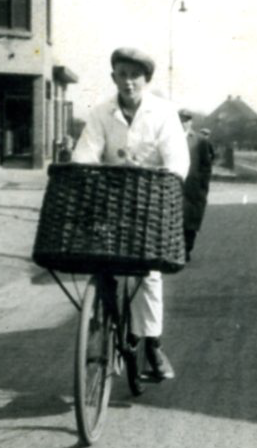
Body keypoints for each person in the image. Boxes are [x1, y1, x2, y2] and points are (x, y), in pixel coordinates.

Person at [72, 47, 189, 381]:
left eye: (135, 76)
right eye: (121, 74)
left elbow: (178, 161)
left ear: (146, 80)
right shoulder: (101, 113)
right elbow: (85, 154)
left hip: (148, 203)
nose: (128, 82)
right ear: (114, 78)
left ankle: (153, 344)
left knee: (147, 272)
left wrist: (163, 178)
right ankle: (101, 313)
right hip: (109, 200)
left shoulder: (163, 113)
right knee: (101, 260)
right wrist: (85, 173)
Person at [179, 109, 213, 262]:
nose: (182, 123)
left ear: (190, 122)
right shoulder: (169, 138)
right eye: (180, 120)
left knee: (190, 220)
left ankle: (186, 249)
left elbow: (206, 166)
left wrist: (202, 185)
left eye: (186, 120)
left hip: (193, 187)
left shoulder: (200, 141)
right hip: (175, 185)